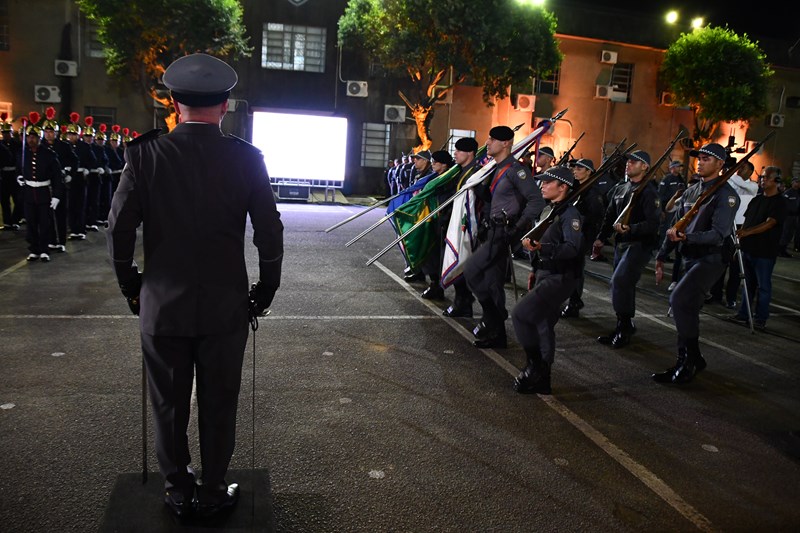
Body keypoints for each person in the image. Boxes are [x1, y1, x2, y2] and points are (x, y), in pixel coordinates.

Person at [107, 53, 284, 519]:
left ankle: (176, 487)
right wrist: (267, 288)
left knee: (167, 401)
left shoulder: (143, 156)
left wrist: (132, 286)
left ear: (173, 103)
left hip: (162, 304)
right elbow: (269, 228)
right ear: (225, 105)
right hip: (225, 306)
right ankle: (210, 487)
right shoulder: (247, 158)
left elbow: (119, 230)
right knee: (219, 399)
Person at [652, 143, 740, 384]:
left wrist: (687, 237)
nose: (700, 162)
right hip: (690, 256)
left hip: (712, 257)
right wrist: (661, 255)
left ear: (721, 165)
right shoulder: (691, 192)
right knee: (686, 306)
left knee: (680, 300)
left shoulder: (726, 195)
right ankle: (691, 359)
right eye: (699, 158)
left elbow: (718, 234)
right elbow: (675, 226)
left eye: (707, 159)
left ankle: (688, 360)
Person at [464, 125, 545, 349]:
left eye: (492, 140)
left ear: (506, 143)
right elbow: (494, 199)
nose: (487, 143)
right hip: (491, 230)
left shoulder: (515, 170)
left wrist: (517, 228)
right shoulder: (495, 168)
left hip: (503, 233)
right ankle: (497, 331)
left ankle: (495, 319)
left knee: (472, 272)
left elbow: (536, 201)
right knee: (492, 283)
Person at [512, 166, 583, 394]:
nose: (542, 185)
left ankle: (536, 367)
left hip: (560, 276)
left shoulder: (570, 215)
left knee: (521, 314)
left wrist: (543, 247)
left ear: (563, 187)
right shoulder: (549, 211)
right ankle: (543, 379)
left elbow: (572, 248)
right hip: (545, 272)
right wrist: (535, 267)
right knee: (543, 325)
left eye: (548, 182)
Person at [594, 149, 660, 349]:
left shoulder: (649, 191)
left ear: (645, 167)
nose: (628, 164)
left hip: (639, 244)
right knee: (622, 286)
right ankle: (623, 325)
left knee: (620, 282)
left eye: (634, 161)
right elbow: (609, 215)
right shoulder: (621, 188)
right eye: (628, 161)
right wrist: (601, 238)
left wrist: (632, 228)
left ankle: (624, 328)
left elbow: (654, 223)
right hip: (621, 244)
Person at [728, 166, 787, 330]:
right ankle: (743, 314)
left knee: (763, 286)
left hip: (765, 252)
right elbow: (747, 222)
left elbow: (770, 223)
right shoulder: (756, 199)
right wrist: (738, 244)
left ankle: (760, 318)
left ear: (776, 181)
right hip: (748, 249)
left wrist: (747, 232)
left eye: (766, 177)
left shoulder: (780, 202)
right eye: (761, 177)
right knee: (747, 284)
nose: (762, 180)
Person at [706, 160, 758, 307]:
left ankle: (731, 297)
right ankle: (715, 294)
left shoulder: (752, 186)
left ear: (750, 171)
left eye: (743, 167)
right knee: (721, 262)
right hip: (727, 224)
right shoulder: (730, 183)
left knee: (736, 266)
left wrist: (729, 173)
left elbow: (740, 184)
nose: (739, 170)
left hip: (741, 227)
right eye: (738, 167)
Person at [18, 112, 64, 262]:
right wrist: (19, 177)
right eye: (29, 137)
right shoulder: (23, 153)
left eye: (34, 137)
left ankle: (44, 249)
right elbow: (20, 169)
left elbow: (57, 177)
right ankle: (34, 249)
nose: (31, 139)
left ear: (39, 138)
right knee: (31, 223)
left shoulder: (49, 155)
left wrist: (57, 196)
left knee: (45, 223)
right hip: (29, 193)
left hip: (44, 192)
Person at [442, 137, 480, 318]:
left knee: (464, 262)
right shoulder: (459, 172)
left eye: (458, 150)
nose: (454, 154)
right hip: (455, 223)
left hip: (470, 227)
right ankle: (462, 300)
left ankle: (464, 301)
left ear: (470, 153)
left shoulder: (477, 173)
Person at [561, 158, 604, 318]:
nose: (576, 170)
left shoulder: (592, 192)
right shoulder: (577, 187)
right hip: (572, 233)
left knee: (575, 269)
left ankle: (574, 302)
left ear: (589, 172)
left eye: (580, 168)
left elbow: (596, 217)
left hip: (583, 235)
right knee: (569, 267)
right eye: (575, 168)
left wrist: (592, 238)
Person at [41, 107, 78, 253]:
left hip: (59, 183)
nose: (49, 134)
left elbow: (75, 161)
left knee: (61, 213)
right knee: (46, 215)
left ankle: (61, 240)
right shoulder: (40, 146)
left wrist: (70, 173)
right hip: (44, 185)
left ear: (56, 133)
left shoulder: (63, 146)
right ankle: (51, 240)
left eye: (52, 132)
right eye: (47, 132)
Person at [419, 149, 454, 299]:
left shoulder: (450, 179)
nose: (432, 164)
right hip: (432, 221)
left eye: (435, 162)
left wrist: (444, 218)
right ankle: (434, 283)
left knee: (440, 256)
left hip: (444, 222)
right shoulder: (435, 177)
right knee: (430, 253)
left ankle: (438, 286)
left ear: (444, 164)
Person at [65, 112, 97, 241]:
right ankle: (73, 229)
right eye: (70, 134)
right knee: (71, 204)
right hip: (69, 177)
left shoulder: (84, 146)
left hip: (80, 177)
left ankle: (80, 229)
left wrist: (87, 169)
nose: (71, 136)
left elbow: (92, 160)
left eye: (74, 134)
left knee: (81, 204)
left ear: (78, 135)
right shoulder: (65, 146)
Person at [1, 113, 23, 230]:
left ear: (11, 133)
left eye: (7, 133)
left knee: (17, 199)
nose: (6, 135)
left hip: (15, 174)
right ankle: (7, 222)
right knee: (4, 199)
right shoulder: (0, 145)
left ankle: (15, 220)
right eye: (4, 133)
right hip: (4, 175)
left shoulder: (17, 144)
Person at [778, 177, 799, 256]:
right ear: (792, 183)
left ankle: (784, 250)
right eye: (795, 182)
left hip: (795, 217)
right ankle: (780, 250)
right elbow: (784, 205)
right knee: (785, 233)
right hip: (788, 216)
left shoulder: (797, 193)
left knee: (790, 234)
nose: (797, 184)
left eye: (798, 182)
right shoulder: (788, 193)